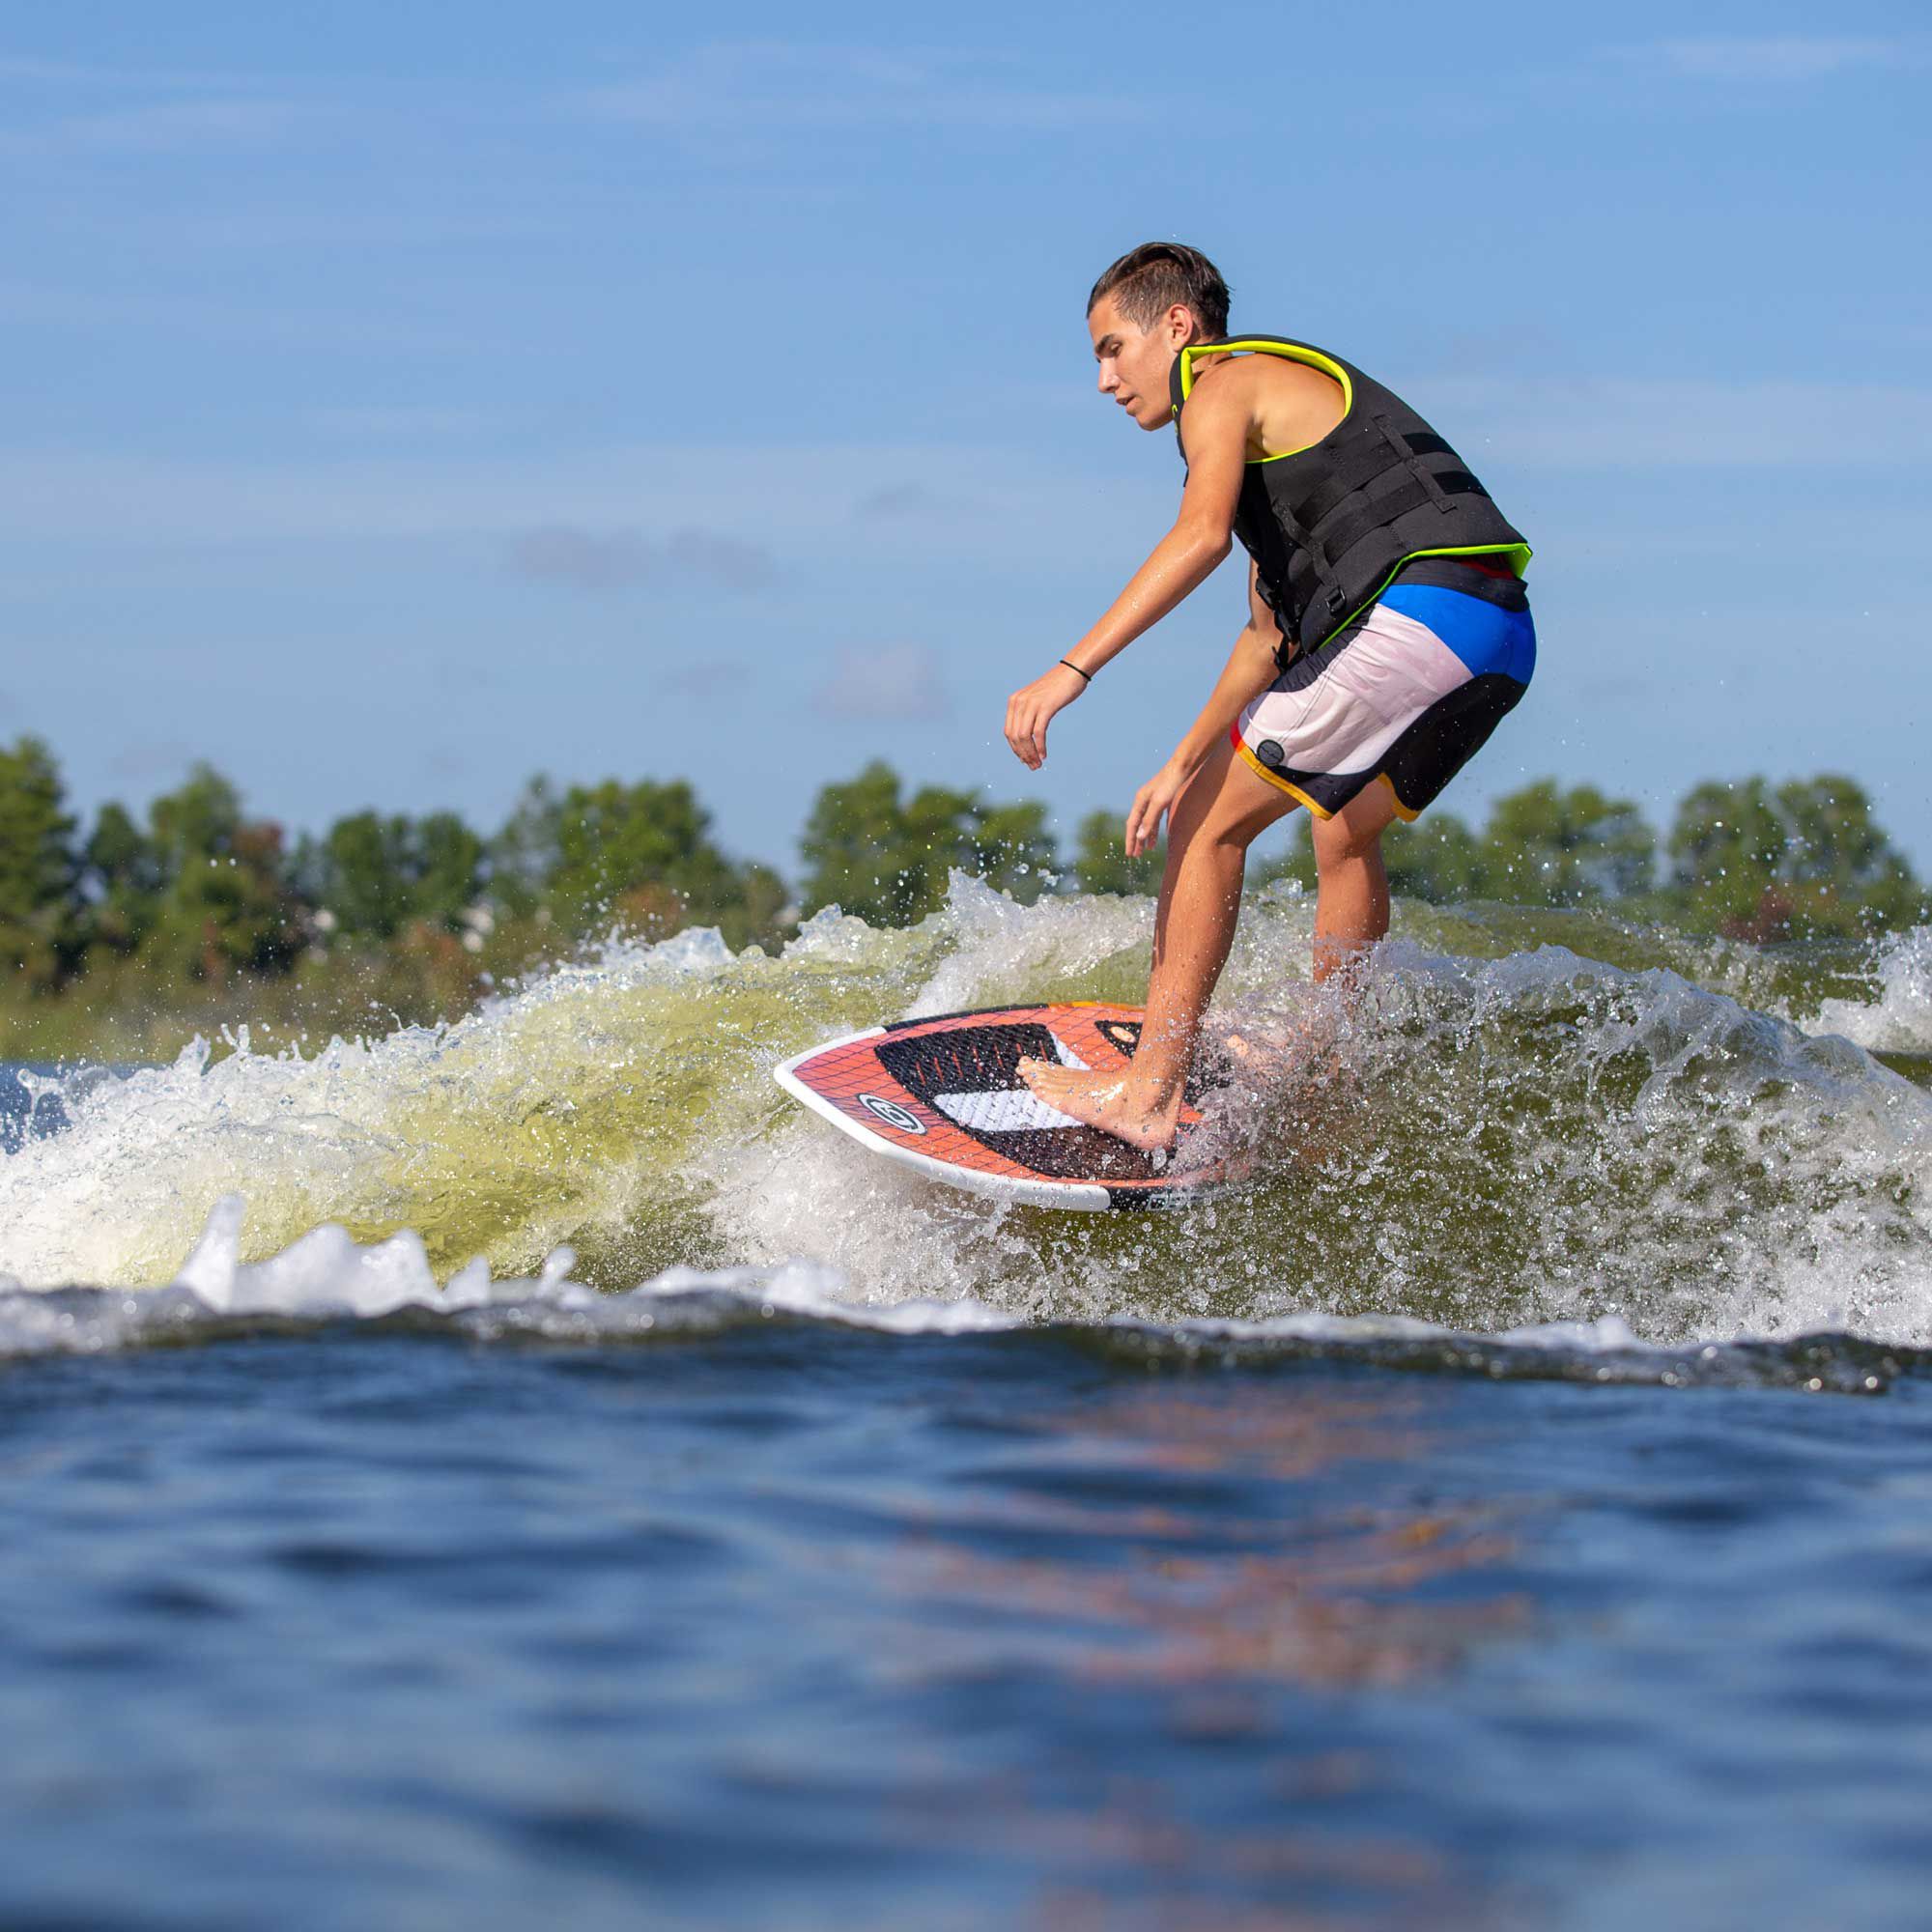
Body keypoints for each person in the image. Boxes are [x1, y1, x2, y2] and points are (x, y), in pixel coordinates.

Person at [1006, 242, 1535, 1152]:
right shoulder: (1287, 455)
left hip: (1414, 613)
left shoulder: (1222, 384)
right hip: (1497, 633)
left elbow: (1199, 535)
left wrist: (1072, 668)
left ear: (1176, 328)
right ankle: (1332, 1073)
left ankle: (1148, 1094)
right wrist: (1180, 764)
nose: (1103, 379)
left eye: (1109, 349)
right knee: (1343, 829)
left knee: (1212, 827)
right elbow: (1266, 642)